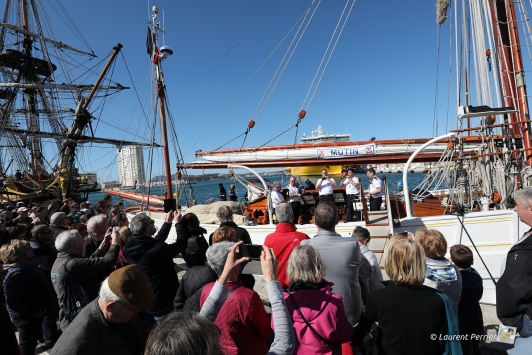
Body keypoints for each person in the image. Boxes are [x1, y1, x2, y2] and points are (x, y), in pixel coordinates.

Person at [146, 242, 295, 355]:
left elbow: (204, 320)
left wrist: (225, 274)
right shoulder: (247, 297)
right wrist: (271, 279)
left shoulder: (206, 289)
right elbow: (282, 342)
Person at [365, 235, 453, 355]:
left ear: (390, 264)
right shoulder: (438, 299)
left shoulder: (377, 298)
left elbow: (367, 323)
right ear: (421, 263)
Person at [300, 202, 363, 352]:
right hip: (349, 315)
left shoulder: (304, 245)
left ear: (314, 221)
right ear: (337, 220)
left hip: (316, 315)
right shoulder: (352, 245)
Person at [50, 265, 154, 355]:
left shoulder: (120, 310)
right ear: (111, 307)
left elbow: (141, 327)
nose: (136, 313)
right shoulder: (76, 348)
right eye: (135, 310)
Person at [199, 241, 272, 355]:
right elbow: (265, 331)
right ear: (235, 265)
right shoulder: (248, 296)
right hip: (248, 350)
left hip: (221, 349)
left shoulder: (206, 289)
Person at [284, 243, 354, 354]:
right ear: (318, 266)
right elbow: (345, 335)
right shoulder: (333, 302)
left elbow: (275, 329)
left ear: (291, 268)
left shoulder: (284, 301)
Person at [124, 211, 188, 324]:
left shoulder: (130, 245)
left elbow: (155, 241)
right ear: (147, 229)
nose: (153, 223)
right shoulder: (156, 250)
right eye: (152, 222)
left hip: (149, 298)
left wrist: (168, 223)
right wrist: (178, 224)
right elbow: (182, 244)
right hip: (163, 302)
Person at [51, 229, 120, 330]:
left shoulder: (61, 261)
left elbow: (90, 262)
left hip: (71, 314)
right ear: (73, 244)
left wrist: (105, 241)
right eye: (81, 238)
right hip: (81, 317)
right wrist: (116, 240)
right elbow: (108, 260)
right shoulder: (72, 264)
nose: (84, 240)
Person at [1, 240, 55, 354]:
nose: (33, 249)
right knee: (26, 346)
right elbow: (14, 301)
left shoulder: (27, 266)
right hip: (26, 317)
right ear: (20, 254)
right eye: (28, 248)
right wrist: (34, 312)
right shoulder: (17, 273)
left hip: (32, 315)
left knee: (31, 342)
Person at [497, 187, 532, 337]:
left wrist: (513, 320)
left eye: (517, 205)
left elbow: (516, 288)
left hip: (527, 319)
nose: (514, 208)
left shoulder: (528, 247)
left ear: (530, 208)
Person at [263, 203, 309, 289]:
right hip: (298, 285)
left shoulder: (269, 239)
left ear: (276, 218)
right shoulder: (303, 237)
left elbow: (266, 263)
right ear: (292, 217)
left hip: (277, 285)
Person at [417, 229, 462, 315]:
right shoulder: (455, 269)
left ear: (421, 248)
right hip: (451, 319)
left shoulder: (420, 269)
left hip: (429, 319)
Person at [209, 205, 254, 289]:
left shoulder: (213, 235)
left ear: (218, 217)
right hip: (241, 273)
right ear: (232, 215)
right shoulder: (242, 232)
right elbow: (249, 251)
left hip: (220, 274)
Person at [450, 244, 483, 355]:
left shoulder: (453, 277)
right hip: (475, 315)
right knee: (475, 345)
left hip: (461, 318)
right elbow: (479, 294)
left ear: (451, 260)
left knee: (464, 347)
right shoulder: (475, 274)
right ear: (472, 261)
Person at [352, 226, 384, 296]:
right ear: (365, 241)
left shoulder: (346, 251)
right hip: (363, 293)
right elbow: (376, 280)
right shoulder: (370, 255)